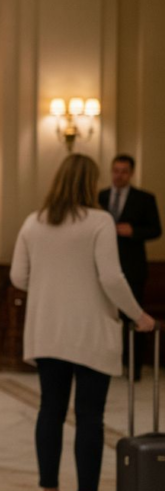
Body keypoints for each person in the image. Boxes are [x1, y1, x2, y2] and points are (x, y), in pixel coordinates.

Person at [11, 153, 156, 491]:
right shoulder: (99, 221)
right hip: (90, 333)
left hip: (47, 331)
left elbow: (18, 277)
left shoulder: (34, 221)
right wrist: (138, 316)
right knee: (90, 418)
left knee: (50, 411)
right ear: (91, 183)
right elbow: (111, 278)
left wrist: (50, 287)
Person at [97, 154, 162, 381]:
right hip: (104, 265)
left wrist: (133, 231)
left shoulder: (144, 199)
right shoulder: (101, 196)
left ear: (131, 173)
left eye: (124, 171)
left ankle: (133, 366)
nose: (119, 175)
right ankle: (108, 362)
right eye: (115, 170)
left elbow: (156, 229)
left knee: (134, 314)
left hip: (132, 266)